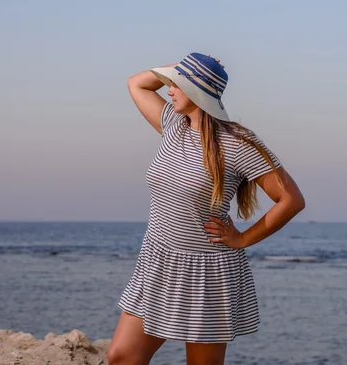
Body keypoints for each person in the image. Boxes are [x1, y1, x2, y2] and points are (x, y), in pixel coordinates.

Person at [108, 53, 306, 365]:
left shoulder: (239, 143)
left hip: (207, 273)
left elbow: (291, 200)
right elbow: (137, 83)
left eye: (176, 84)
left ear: (196, 90)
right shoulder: (174, 125)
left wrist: (242, 239)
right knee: (122, 357)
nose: (169, 89)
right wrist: (183, 65)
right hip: (158, 260)